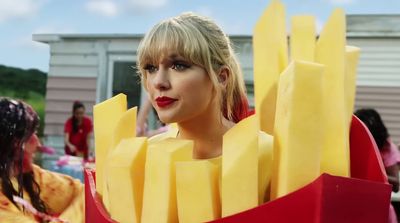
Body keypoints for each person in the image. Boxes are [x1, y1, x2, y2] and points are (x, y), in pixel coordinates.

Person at [137, 12, 251, 159]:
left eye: (178, 66)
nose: (158, 82)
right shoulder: (146, 157)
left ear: (221, 78)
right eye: (151, 68)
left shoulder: (267, 154)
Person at [0, 97, 84, 223]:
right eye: (31, 135)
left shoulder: (30, 176)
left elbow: (81, 190)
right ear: (14, 144)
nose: (38, 143)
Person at [355, 108, 400, 223]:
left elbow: (395, 185)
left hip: (380, 210)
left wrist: (371, 173)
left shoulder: (387, 148)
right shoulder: (353, 144)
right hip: (357, 207)